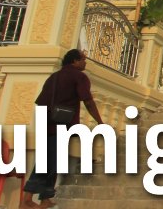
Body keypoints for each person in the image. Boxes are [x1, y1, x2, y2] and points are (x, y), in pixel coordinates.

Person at [23, 49, 104, 209]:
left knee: (52, 159)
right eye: (83, 59)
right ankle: (27, 199)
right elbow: (87, 100)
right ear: (75, 61)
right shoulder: (79, 77)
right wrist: (99, 121)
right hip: (61, 123)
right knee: (48, 160)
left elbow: (40, 101)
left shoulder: (54, 76)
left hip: (46, 121)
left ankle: (45, 198)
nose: (85, 62)